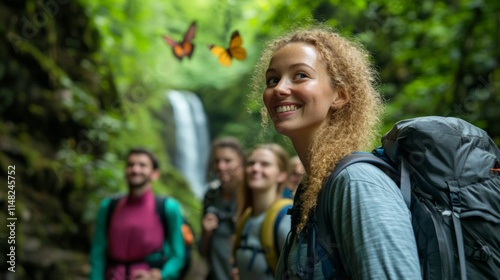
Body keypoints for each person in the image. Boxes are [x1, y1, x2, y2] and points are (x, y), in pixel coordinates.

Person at [251, 26, 421, 279]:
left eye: (300, 75)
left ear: (340, 95)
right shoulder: (314, 188)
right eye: (273, 80)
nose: (279, 89)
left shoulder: (357, 183)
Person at [89, 148, 185, 280]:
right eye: (130, 165)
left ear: (155, 174)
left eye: (142, 165)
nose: (135, 169)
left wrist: (162, 275)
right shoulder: (108, 206)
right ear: (125, 170)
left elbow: (178, 254)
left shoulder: (168, 207)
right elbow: (97, 253)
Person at [232, 143, 292, 280]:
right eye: (251, 163)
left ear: (281, 175)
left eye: (265, 164)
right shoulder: (247, 216)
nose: (255, 168)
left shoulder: (286, 217)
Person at [199, 137, 245, 280]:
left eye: (228, 161)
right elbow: (202, 252)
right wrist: (207, 233)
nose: (221, 166)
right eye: (217, 161)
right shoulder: (211, 196)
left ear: (241, 161)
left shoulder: (252, 195)